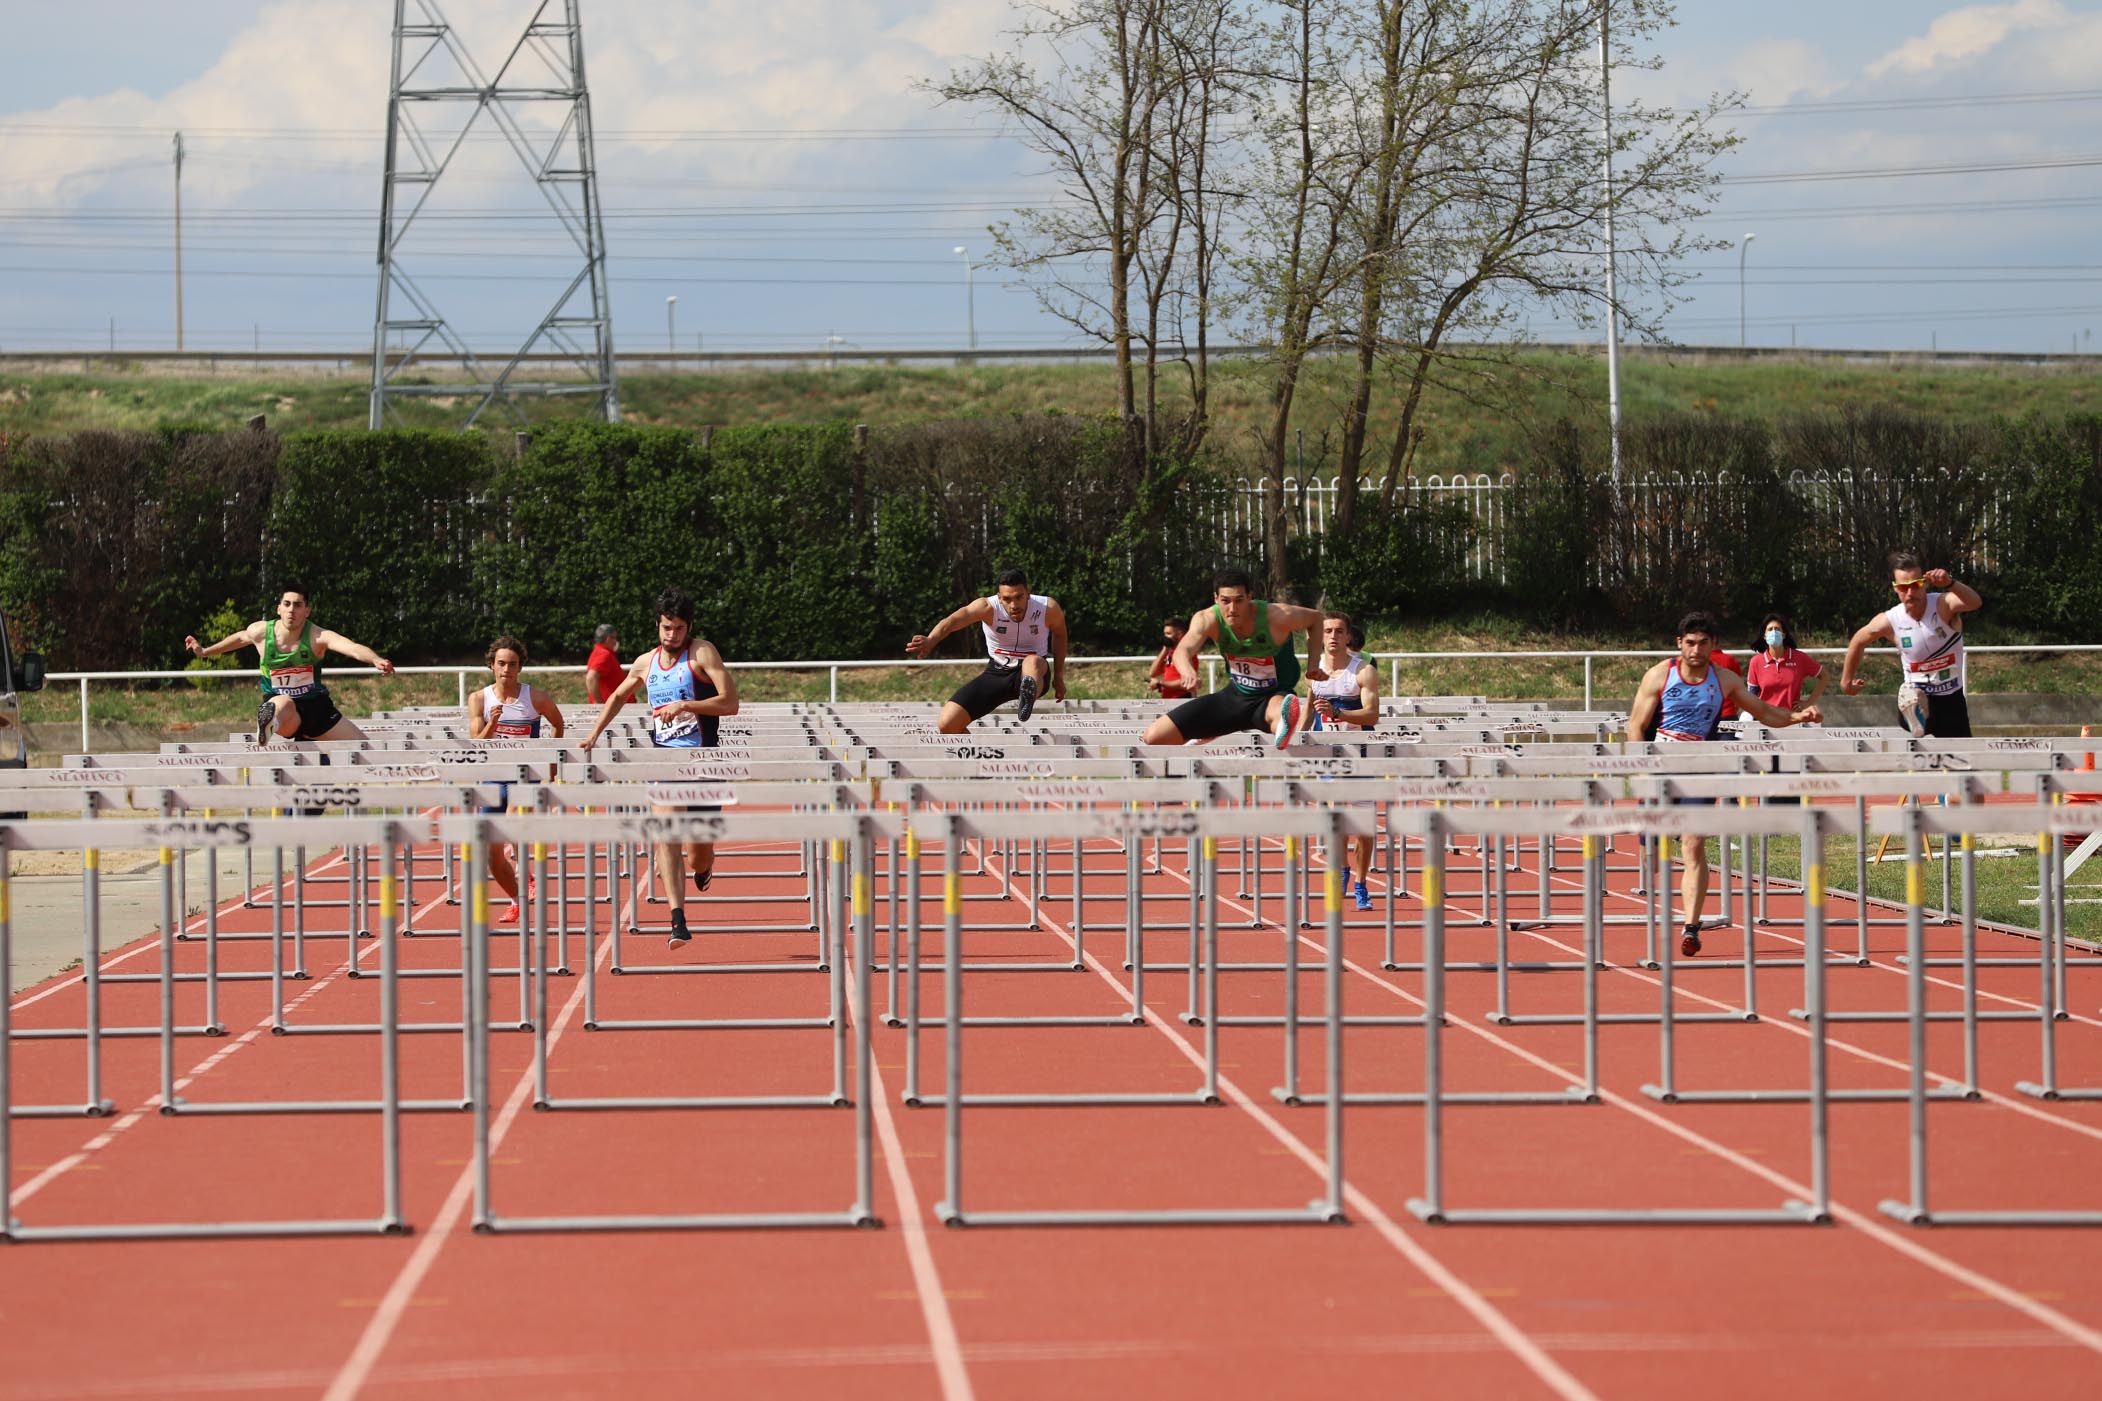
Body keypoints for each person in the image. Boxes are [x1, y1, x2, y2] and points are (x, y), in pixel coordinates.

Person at [1627, 610, 1822, 957]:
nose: (1696, 650)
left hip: (1701, 766)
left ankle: (1691, 926)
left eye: (1703, 643)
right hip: (1660, 763)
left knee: (1693, 842)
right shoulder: (1659, 675)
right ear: (1679, 644)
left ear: (1713, 645)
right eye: (1690, 643)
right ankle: (1654, 894)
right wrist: (1640, 773)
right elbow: (1636, 726)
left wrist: (1796, 716)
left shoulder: (1725, 679)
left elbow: (1764, 712)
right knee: (1652, 848)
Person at [577, 588, 740, 946]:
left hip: (704, 762)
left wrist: (687, 705)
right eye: (666, 628)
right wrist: (593, 735)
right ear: (658, 625)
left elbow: (731, 703)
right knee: (667, 834)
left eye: (679, 628)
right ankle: (677, 920)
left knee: (698, 854)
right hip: (664, 760)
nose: (671, 635)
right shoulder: (644, 662)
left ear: (689, 627)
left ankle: (705, 865)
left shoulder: (702, 652)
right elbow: (618, 696)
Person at [183, 586, 394, 745]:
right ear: (278, 609)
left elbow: (352, 647)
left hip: (316, 708)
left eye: (298, 605)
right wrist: (205, 652)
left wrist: (375, 659)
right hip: (284, 710)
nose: (291, 610)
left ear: (307, 611)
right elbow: (239, 639)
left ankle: (271, 723)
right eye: (287, 604)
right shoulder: (261, 633)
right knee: (283, 703)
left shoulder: (317, 636)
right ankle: (268, 724)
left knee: (365, 750)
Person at [1141, 569, 1326, 749]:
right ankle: (1209, 731)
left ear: (1250, 597)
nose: (1232, 609)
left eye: (1239, 600)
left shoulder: (1277, 616)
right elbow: (1183, 649)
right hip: (1234, 697)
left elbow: (1316, 619)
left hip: (1272, 696)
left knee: (1280, 711)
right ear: (1215, 599)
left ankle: (1282, 727)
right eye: (1225, 601)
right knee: (1154, 736)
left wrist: (1312, 667)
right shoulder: (1207, 619)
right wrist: (1187, 671)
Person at [467, 635, 565, 924]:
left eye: (512, 664)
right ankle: (516, 898)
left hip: (526, 775)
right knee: (490, 852)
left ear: (520, 667)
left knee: (512, 819)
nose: (506, 670)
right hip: (494, 777)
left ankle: (528, 874)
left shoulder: (536, 698)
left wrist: (550, 761)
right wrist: (494, 723)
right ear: (491, 666)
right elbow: (477, 742)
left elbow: (558, 723)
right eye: (501, 664)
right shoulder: (479, 699)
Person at [904, 568, 1068, 733]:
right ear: (999, 597)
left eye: (1019, 597)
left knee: (1032, 661)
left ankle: (1028, 694)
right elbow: (953, 620)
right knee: (947, 725)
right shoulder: (987, 607)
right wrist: (932, 639)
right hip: (997, 672)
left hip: (1035, 672)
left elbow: (1060, 635)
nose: (1014, 605)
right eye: (1007, 599)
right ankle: (977, 755)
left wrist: (1059, 677)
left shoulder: (1047, 608)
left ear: (1028, 593)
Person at [1838, 552, 1983, 739]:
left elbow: (1975, 602)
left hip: (1951, 697)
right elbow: (1858, 640)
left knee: (1962, 760)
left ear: (1924, 583)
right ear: (1895, 588)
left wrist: (1950, 583)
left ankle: (1920, 718)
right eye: (1903, 587)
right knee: (1912, 696)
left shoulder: (1942, 604)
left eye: (1915, 585)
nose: (1910, 593)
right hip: (1916, 696)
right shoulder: (1891, 619)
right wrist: (1846, 681)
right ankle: (1916, 714)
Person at [1307, 610, 1381, 910]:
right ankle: (1343, 871)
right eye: (1327, 631)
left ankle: (1362, 883)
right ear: (1320, 637)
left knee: (1364, 828)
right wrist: (1298, 740)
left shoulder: (1363, 671)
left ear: (1348, 636)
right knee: (1337, 821)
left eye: (1339, 631)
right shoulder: (1314, 671)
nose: (1333, 637)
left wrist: (1339, 713)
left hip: (1361, 756)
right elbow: (1309, 710)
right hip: (1329, 759)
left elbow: (1372, 715)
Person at [1744, 612, 1826, 713]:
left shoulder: (1799, 658)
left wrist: (1808, 703)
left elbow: (1825, 676)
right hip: (1765, 720)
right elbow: (1751, 695)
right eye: (1770, 629)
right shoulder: (1756, 662)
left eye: (1777, 629)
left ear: (1783, 635)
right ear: (1764, 636)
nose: (1774, 632)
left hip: (1792, 720)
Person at [1146, 617, 1194, 700]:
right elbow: (1152, 673)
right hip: (1168, 699)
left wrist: (1161, 683)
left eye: (1168, 634)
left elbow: (1188, 682)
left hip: (1181, 698)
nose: (1165, 637)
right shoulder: (1169, 652)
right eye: (1164, 634)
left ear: (1179, 634)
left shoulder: (1187, 653)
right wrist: (1164, 651)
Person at [1706, 639, 1743, 737]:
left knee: (1705, 750)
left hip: (1705, 717)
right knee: (1729, 750)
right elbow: (1738, 688)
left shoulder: (1698, 662)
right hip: (1729, 715)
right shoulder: (1730, 660)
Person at [584, 623, 625, 705]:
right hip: (611, 709)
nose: (616, 642)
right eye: (614, 638)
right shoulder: (604, 654)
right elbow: (591, 678)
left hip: (612, 708)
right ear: (608, 639)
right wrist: (599, 704)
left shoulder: (599, 652)